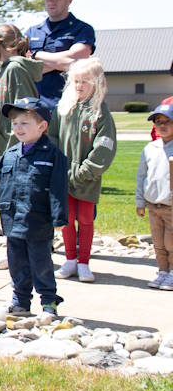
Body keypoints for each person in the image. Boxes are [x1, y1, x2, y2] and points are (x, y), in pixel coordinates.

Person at [0, 98, 68, 317]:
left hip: (38, 221)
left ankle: (48, 301)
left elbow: (58, 190)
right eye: (15, 123)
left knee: (40, 263)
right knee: (17, 264)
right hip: (12, 220)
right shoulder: (10, 154)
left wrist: (59, 218)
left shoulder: (53, 156)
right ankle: (21, 301)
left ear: (42, 126)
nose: (18, 128)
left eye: (24, 123)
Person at [51, 58, 117, 283]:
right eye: (76, 81)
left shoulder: (100, 113)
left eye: (85, 82)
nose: (79, 86)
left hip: (87, 178)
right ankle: (70, 259)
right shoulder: (63, 109)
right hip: (62, 176)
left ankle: (84, 262)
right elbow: (51, 137)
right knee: (66, 218)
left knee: (86, 219)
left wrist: (84, 171)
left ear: (97, 83)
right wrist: (57, 167)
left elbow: (104, 146)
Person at [25, 0, 95, 109]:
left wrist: (35, 56)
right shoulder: (32, 32)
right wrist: (61, 61)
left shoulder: (82, 29)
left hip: (69, 107)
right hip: (35, 110)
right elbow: (25, 69)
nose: (51, 1)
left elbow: (75, 63)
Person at [0, 24, 43, 161]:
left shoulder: (16, 70)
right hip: (5, 152)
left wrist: (14, 151)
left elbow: (24, 114)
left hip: (16, 154)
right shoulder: (4, 70)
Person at [137, 103, 173, 289]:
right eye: (159, 122)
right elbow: (141, 176)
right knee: (158, 242)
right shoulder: (150, 149)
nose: (162, 125)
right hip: (153, 205)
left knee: (171, 242)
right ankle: (162, 271)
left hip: (170, 206)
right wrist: (140, 201)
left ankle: (172, 272)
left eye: (168, 121)